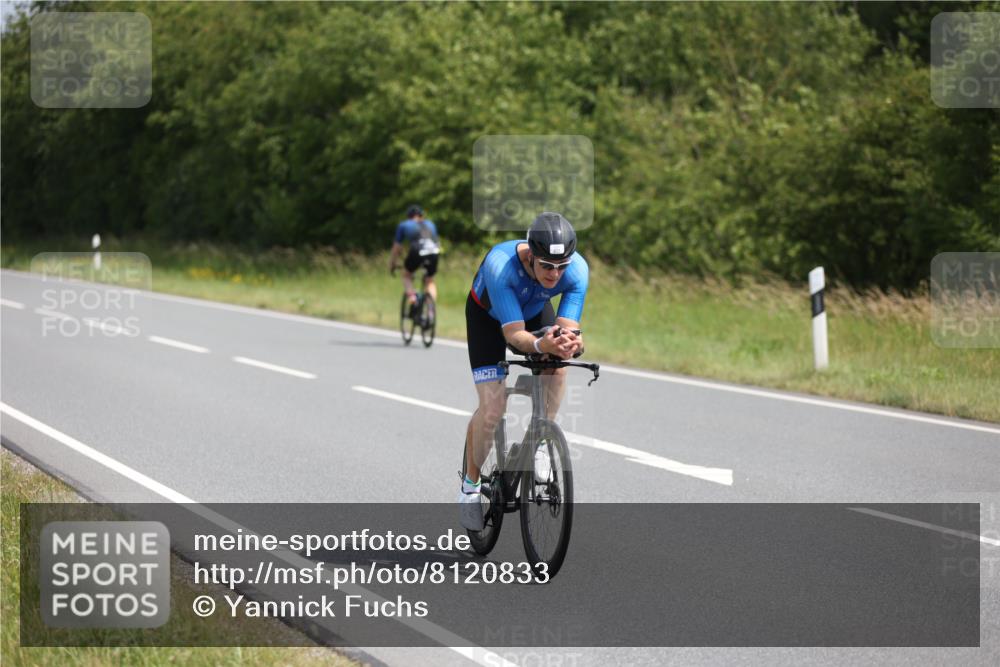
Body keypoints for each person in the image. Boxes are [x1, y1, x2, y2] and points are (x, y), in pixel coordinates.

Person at [459, 212, 588, 530]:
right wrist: (542, 345)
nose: (555, 275)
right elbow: (514, 335)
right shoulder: (501, 265)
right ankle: (470, 488)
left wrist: (568, 343)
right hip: (490, 319)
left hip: (531, 312)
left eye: (562, 267)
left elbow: (567, 328)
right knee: (493, 407)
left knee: (558, 365)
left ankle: (542, 442)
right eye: (547, 266)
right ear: (530, 255)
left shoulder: (578, 271)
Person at [389, 205, 441, 308]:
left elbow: (396, 247)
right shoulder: (430, 224)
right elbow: (438, 242)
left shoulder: (404, 225)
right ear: (422, 215)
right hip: (434, 251)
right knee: (430, 280)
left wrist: (392, 263)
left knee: (406, 275)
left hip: (417, 251)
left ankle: (412, 298)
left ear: (409, 216)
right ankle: (431, 309)